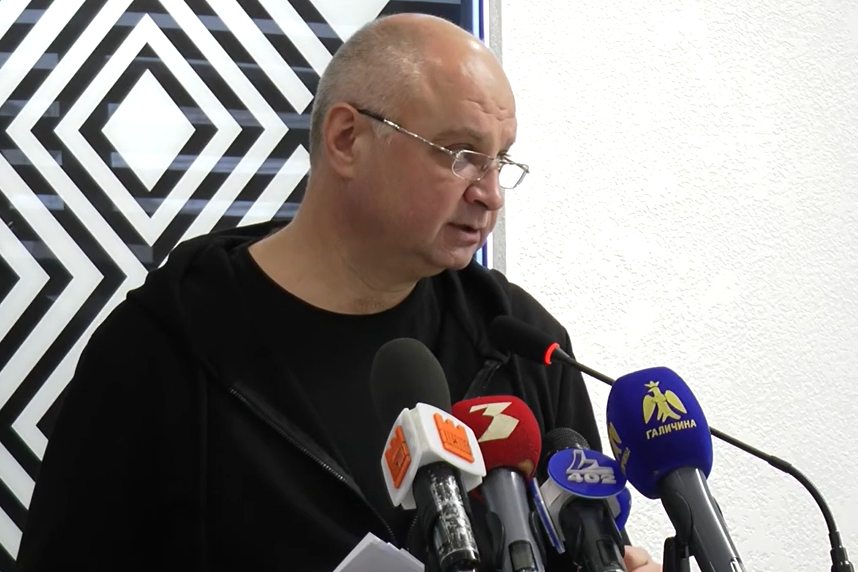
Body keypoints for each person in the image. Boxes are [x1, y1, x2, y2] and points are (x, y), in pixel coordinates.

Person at [16, 13, 660, 572]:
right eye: (460, 153)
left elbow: (584, 539)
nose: (490, 193)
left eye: (501, 160)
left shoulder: (524, 346)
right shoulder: (160, 350)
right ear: (347, 139)